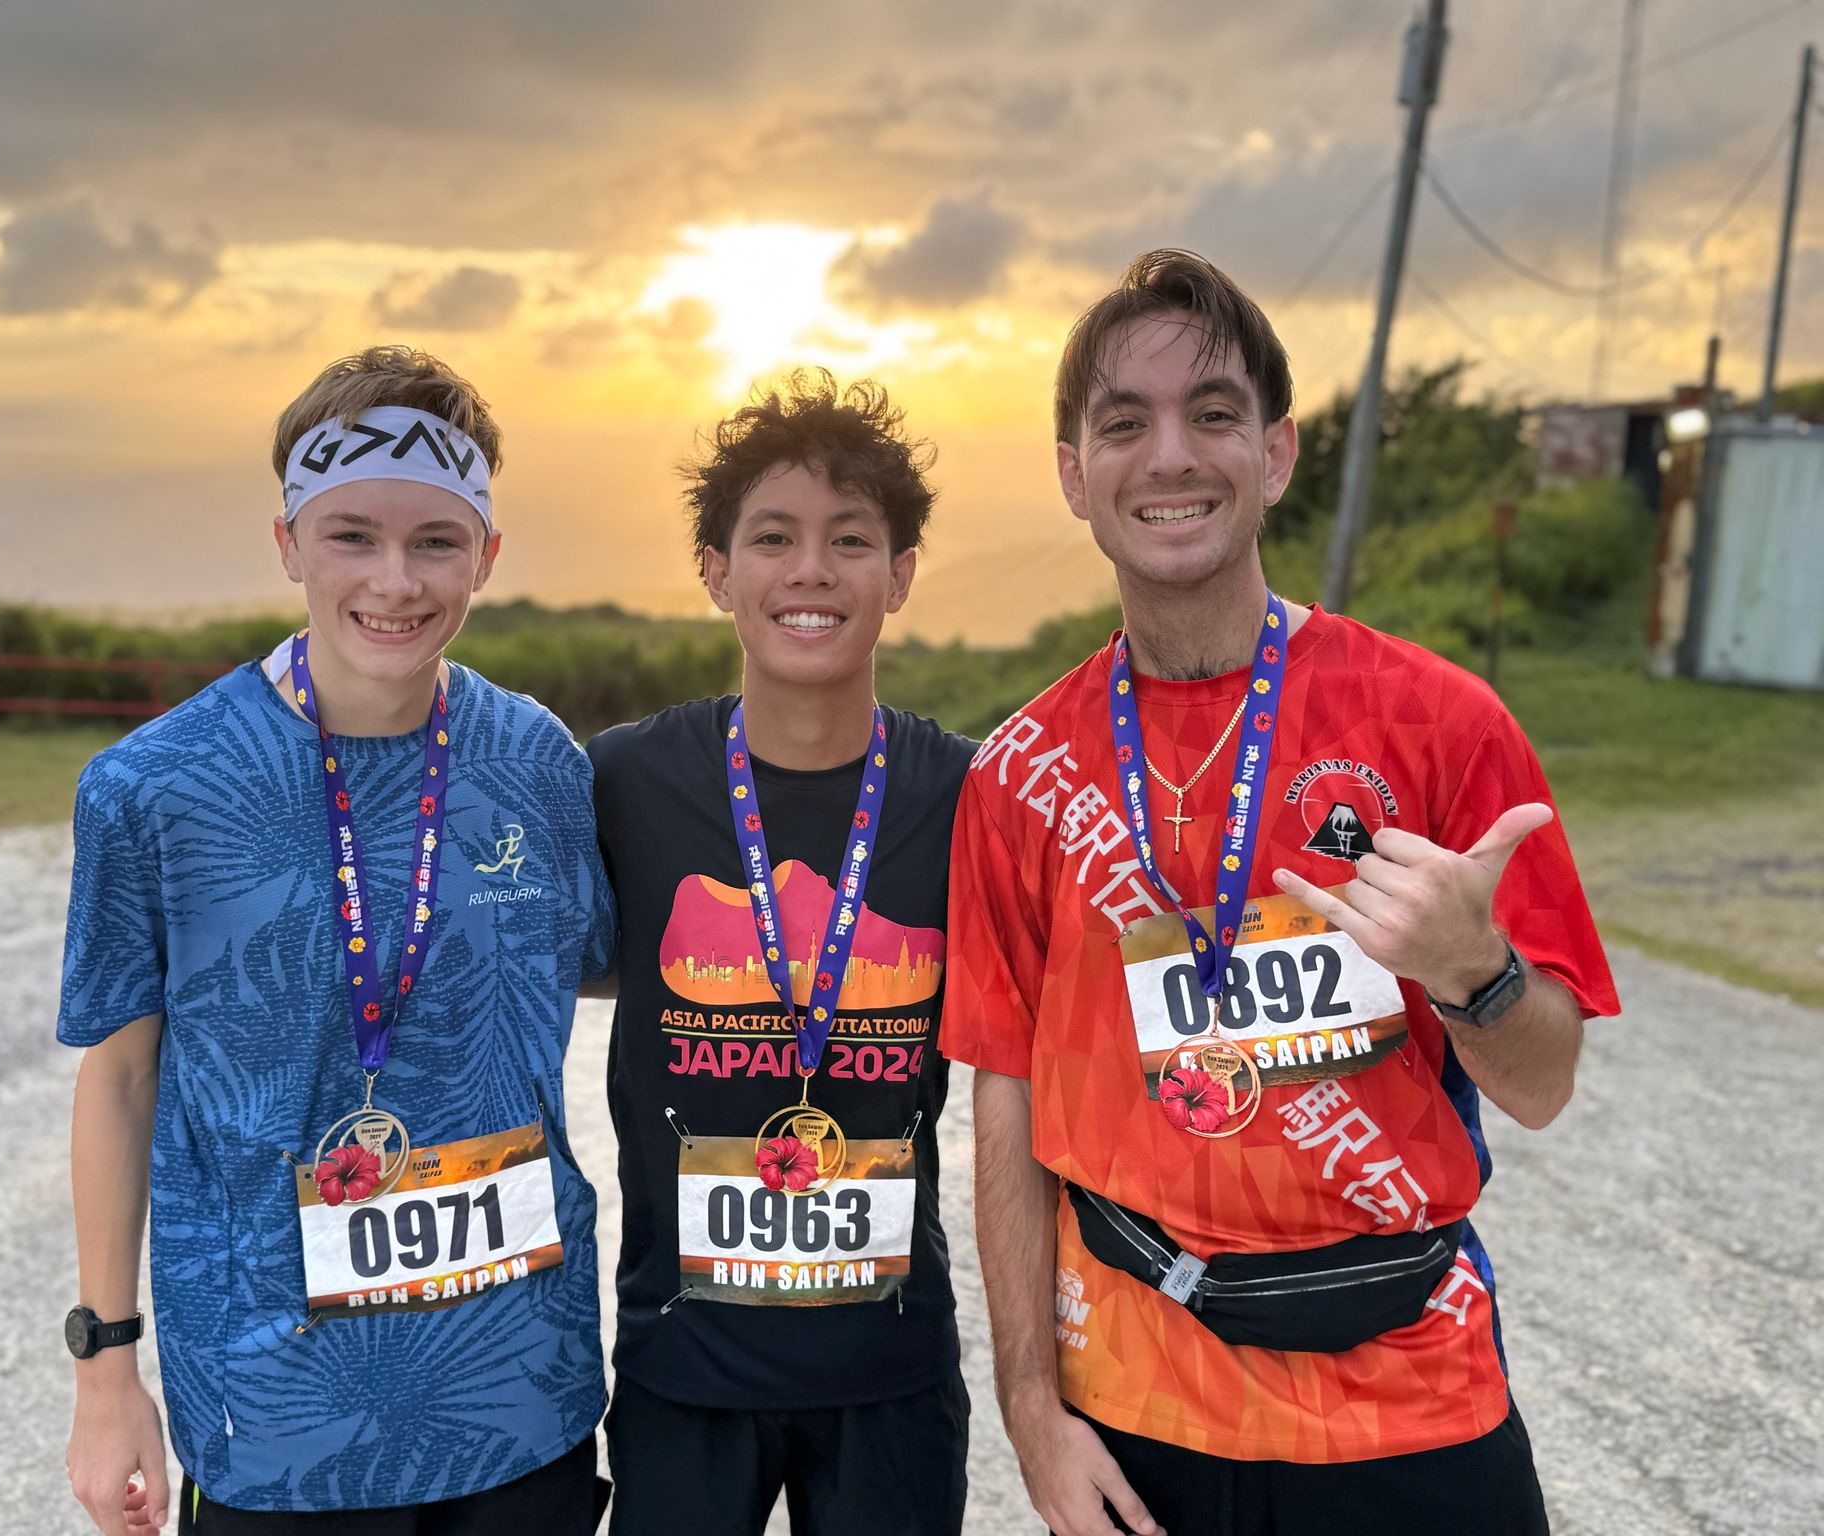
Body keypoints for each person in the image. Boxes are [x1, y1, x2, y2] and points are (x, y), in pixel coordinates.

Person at [940, 251, 1618, 1536]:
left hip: (1410, 1396)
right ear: (1073, 473)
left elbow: (1538, 1086)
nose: (1170, 456)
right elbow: (1006, 1100)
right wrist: (1030, 1409)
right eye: (1121, 423)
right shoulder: (1019, 774)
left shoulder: (1438, 723)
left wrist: (1473, 970)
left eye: (1211, 413)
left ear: (1278, 452)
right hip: (1137, 1412)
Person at [59, 345, 614, 1535]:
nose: (396, 581)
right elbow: (118, 1079)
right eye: (352, 534)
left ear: (488, 556)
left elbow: (635, 970)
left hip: (520, 1393)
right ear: (288, 545)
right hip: (276, 1417)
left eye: (435, 541)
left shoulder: (539, 764)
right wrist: (106, 1375)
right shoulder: (155, 788)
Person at [587, 370, 973, 1535]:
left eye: (851, 540)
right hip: (681, 1368)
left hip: (889, 1372)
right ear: (716, 571)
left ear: (899, 575)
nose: (812, 570)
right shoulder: (621, 783)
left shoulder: (963, 795)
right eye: (773, 537)